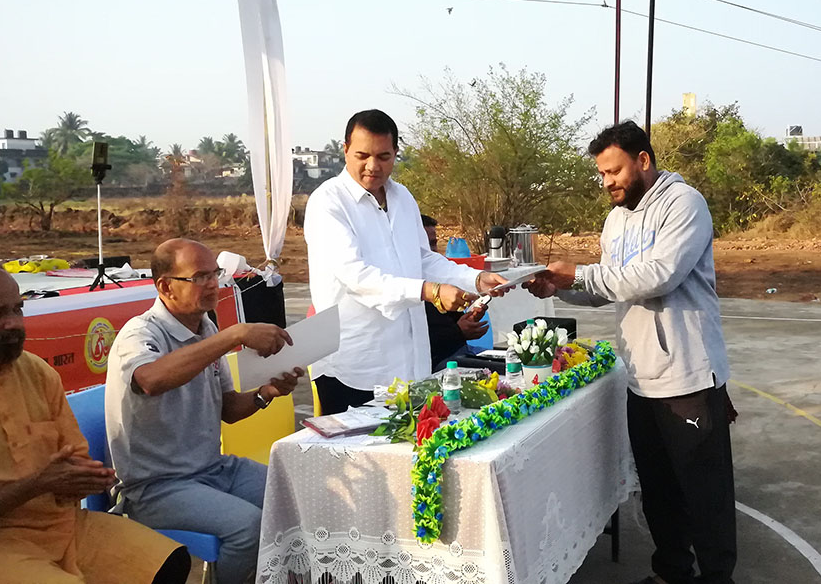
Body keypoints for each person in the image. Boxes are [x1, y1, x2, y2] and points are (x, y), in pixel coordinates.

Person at [526, 120, 738, 584]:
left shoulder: (685, 204)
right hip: (640, 374)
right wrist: (557, 290)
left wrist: (578, 274)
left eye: (615, 171)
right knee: (658, 487)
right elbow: (609, 285)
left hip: (687, 376)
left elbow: (658, 275)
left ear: (643, 160)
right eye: (602, 174)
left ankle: (718, 576)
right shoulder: (617, 218)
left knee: (704, 489)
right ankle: (672, 572)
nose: (608, 183)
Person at [0, 260, 190, 584]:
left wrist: (86, 478)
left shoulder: (36, 372)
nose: (13, 323)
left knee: (171, 564)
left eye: (17, 310)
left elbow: (72, 459)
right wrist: (35, 485)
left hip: (62, 527)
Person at [105, 238, 302, 584]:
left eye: (215, 274)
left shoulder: (205, 328)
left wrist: (265, 394)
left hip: (213, 468)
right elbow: (150, 379)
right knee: (249, 527)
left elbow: (228, 408)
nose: (213, 284)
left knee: (298, 493)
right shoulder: (140, 334)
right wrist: (234, 336)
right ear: (165, 286)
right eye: (199, 277)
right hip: (155, 487)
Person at [304, 109, 508, 414]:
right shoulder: (328, 203)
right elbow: (357, 277)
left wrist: (475, 279)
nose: (373, 166)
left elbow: (422, 258)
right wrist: (429, 291)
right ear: (345, 150)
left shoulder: (402, 198)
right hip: (355, 366)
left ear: (396, 153)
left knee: (413, 453)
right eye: (362, 155)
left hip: (411, 361)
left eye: (384, 156)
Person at [421, 214, 490, 369]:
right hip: (437, 365)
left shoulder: (441, 274)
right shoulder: (403, 290)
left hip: (458, 352)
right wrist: (458, 332)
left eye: (434, 245)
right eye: (424, 248)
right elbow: (420, 341)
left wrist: (468, 318)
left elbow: (452, 322)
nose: (432, 254)